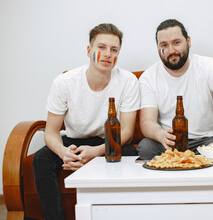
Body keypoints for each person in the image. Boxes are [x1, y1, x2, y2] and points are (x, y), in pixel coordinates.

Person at [33, 23, 140, 219]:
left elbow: (126, 132)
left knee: (131, 152)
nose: (107, 54)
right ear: (89, 50)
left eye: (114, 49)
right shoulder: (64, 82)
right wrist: (64, 153)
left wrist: (97, 152)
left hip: (107, 141)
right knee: (40, 159)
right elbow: (51, 132)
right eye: (101, 47)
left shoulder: (128, 81)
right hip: (73, 141)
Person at [137, 19, 213, 159]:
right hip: (169, 141)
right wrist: (160, 135)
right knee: (145, 148)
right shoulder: (148, 77)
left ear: (188, 41)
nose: (171, 50)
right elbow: (147, 121)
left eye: (176, 43)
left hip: (205, 141)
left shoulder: (207, 65)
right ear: (158, 48)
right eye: (164, 45)